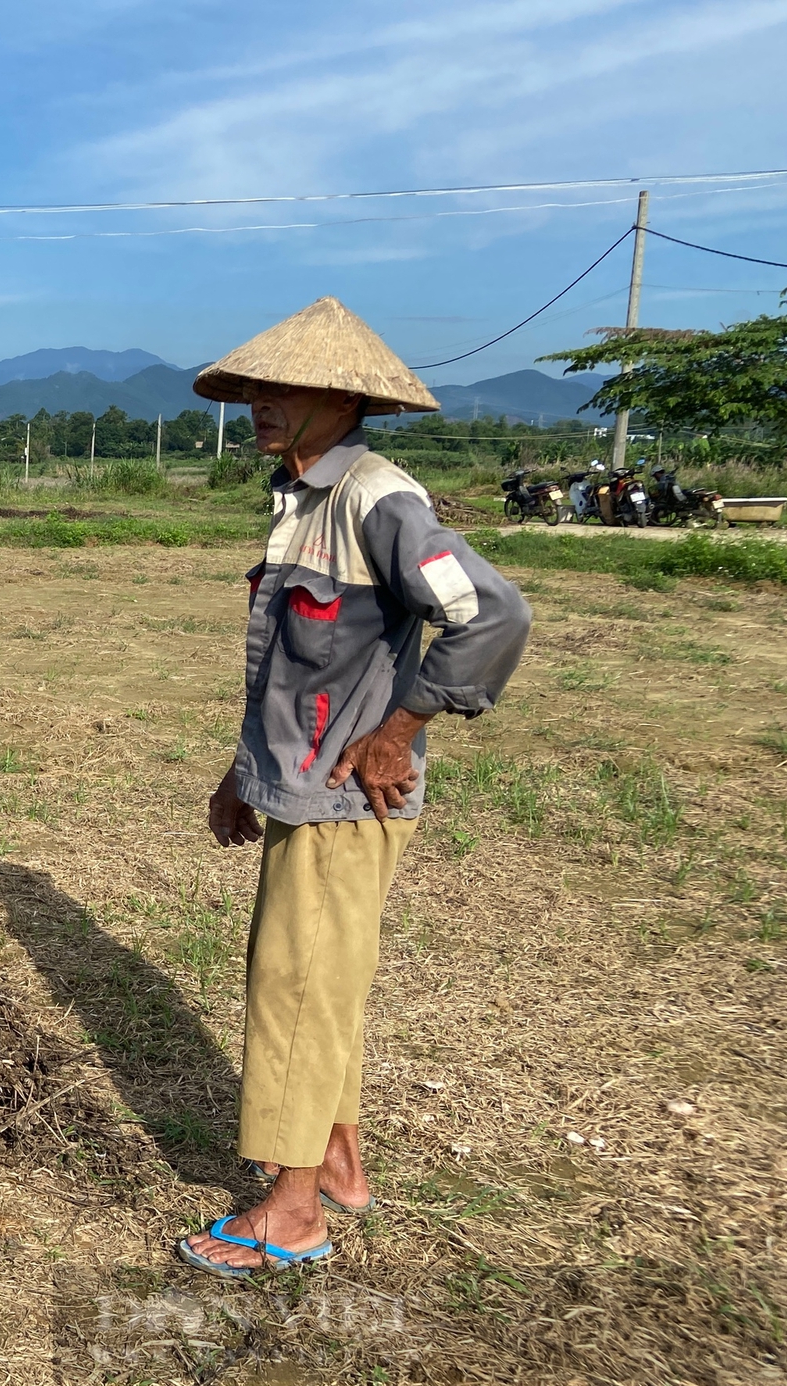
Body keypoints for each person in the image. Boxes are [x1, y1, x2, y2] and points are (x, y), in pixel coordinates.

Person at [173, 298, 532, 1278]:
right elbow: (293, 672)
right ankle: (334, 1161)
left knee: (292, 992)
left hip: (341, 803)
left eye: (279, 390)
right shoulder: (300, 500)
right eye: (252, 389)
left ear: (339, 399)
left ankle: (289, 1214)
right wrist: (239, 775)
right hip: (296, 789)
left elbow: (492, 614)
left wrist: (400, 726)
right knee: (317, 984)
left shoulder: (375, 499)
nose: (257, 405)